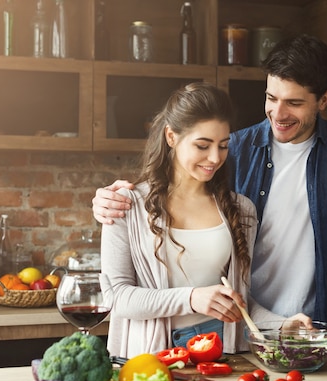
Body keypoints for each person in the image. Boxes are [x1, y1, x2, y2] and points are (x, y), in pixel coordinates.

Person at [93, 35, 327, 357]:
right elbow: (176, 180)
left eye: (295, 103)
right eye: (271, 98)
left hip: (294, 323)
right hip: (235, 335)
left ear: (324, 100)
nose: (278, 112)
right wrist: (107, 204)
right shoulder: (236, 148)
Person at [101, 82, 310, 358]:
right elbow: (116, 297)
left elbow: (239, 303)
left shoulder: (241, 210)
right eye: (203, 145)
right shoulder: (125, 204)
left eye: (223, 146)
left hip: (222, 351)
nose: (215, 158)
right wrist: (192, 298)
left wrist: (283, 325)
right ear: (171, 136)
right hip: (149, 356)